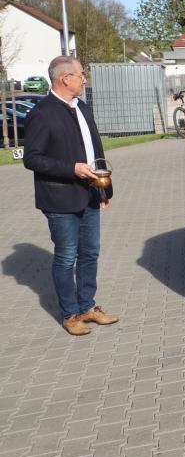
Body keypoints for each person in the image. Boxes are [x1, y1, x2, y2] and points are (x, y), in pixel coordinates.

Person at [22, 56, 117, 336]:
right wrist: (71, 169)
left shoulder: (82, 107)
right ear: (65, 78)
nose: (84, 79)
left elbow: (96, 150)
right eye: (80, 74)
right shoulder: (42, 113)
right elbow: (32, 159)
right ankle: (70, 314)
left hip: (90, 194)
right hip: (60, 198)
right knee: (66, 258)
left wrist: (105, 188)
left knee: (90, 253)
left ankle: (87, 306)